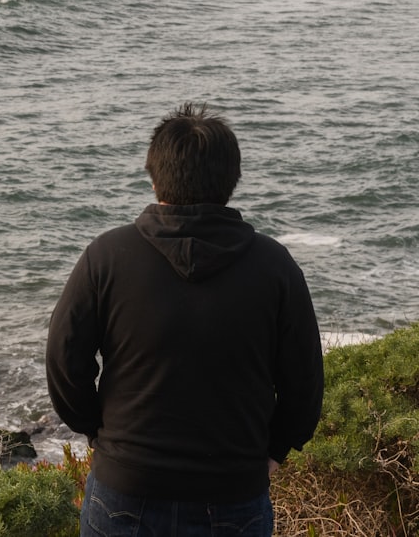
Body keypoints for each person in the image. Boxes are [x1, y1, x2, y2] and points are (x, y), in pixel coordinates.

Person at [46, 103, 323, 536]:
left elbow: (64, 360)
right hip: (235, 492)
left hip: (125, 487)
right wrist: (277, 448)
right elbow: (304, 380)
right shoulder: (275, 267)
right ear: (232, 180)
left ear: (154, 175)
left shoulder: (106, 257)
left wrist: (99, 433)